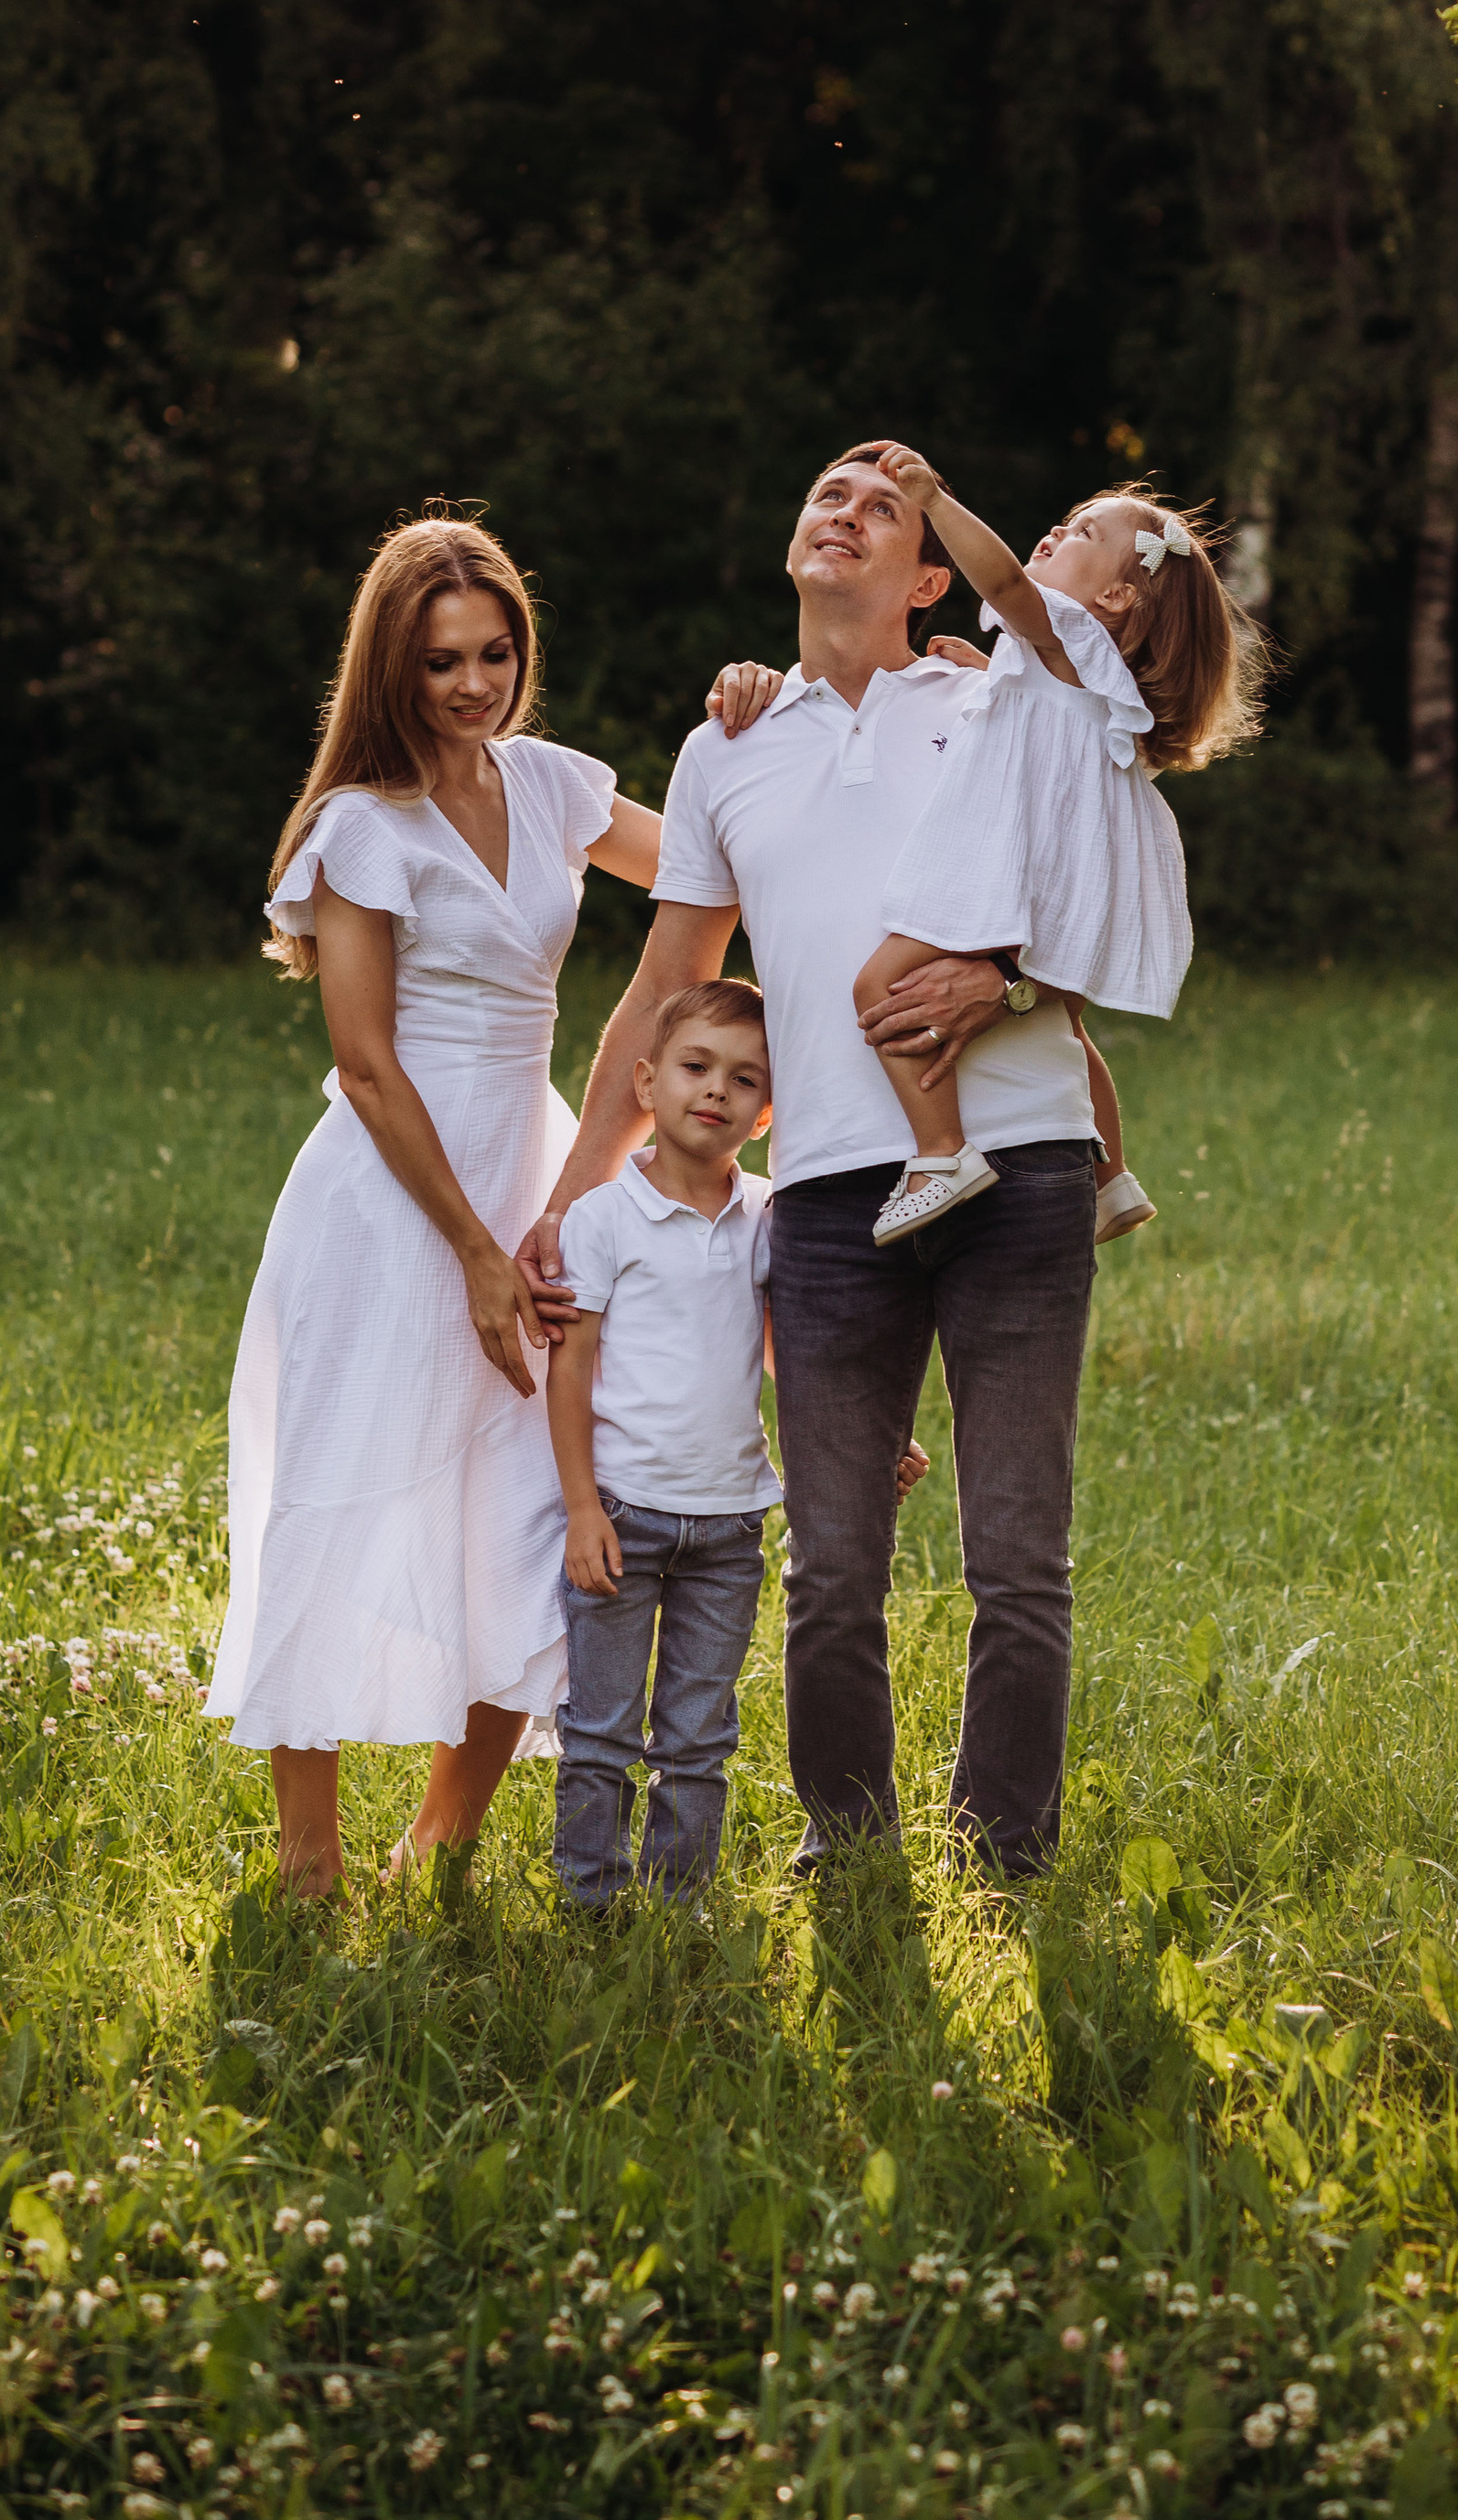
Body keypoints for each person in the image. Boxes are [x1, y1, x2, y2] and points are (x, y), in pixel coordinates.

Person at [530, 443, 1107, 1880]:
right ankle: (848, 1846)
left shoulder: (990, 704)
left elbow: (1105, 908)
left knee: (1016, 1557)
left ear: (927, 574)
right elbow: (667, 990)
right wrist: (568, 1201)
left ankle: (1004, 1857)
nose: (842, 511)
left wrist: (1011, 989)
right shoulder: (729, 745)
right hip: (837, 1196)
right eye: (824, 495)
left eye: (881, 504)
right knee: (834, 1565)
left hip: (1019, 1161)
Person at [206, 512, 667, 1901]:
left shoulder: (562, 787)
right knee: (345, 1486)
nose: (475, 682)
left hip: (536, 1164)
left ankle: (444, 1841)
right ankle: (308, 1858)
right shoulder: (360, 826)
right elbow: (363, 1059)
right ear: (391, 673)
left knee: (534, 1501)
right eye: (441, 661)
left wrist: (770, 716)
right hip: (393, 1195)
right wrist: (472, 1247)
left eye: (496, 651)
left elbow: (725, 858)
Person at [854, 446, 1262, 1244]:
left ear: (1112, 594)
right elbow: (1035, 711)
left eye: (1078, 532)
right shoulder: (1080, 669)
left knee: (877, 984)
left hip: (1018, 877)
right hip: (1071, 886)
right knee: (1065, 1030)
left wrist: (935, 500)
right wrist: (988, 666)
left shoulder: (1065, 630)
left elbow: (1004, 584)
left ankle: (940, 1154)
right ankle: (1110, 1178)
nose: (1052, 531)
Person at [544, 979, 782, 1904]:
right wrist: (578, 1510)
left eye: (742, 1079)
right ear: (646, 1082)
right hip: (621, 1514)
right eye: (695, 1067)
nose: (714, 1090)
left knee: (697, 1736)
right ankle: (589, 1902)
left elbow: (780, 1353)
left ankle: (678, 1902)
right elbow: (571, 1371)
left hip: (729, 1527)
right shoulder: (602, 1219)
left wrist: (860, 1444)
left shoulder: (767, 1215)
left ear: (764, 1114)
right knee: (600, 1728)